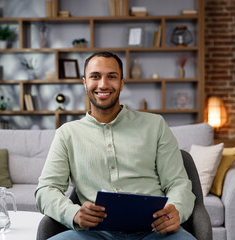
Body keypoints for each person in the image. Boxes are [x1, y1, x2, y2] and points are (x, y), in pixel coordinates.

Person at [35, 52, 196, 240]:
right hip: (94, 233)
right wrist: (74, 213)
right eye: (95, 76)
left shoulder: (156, 125)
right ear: (84, 83)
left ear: (121, 82)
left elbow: (178, 183)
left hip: (156, 231)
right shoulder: (67, 134)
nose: (103, 84)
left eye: (111, 77)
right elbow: (46, 189)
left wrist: (174, 210)